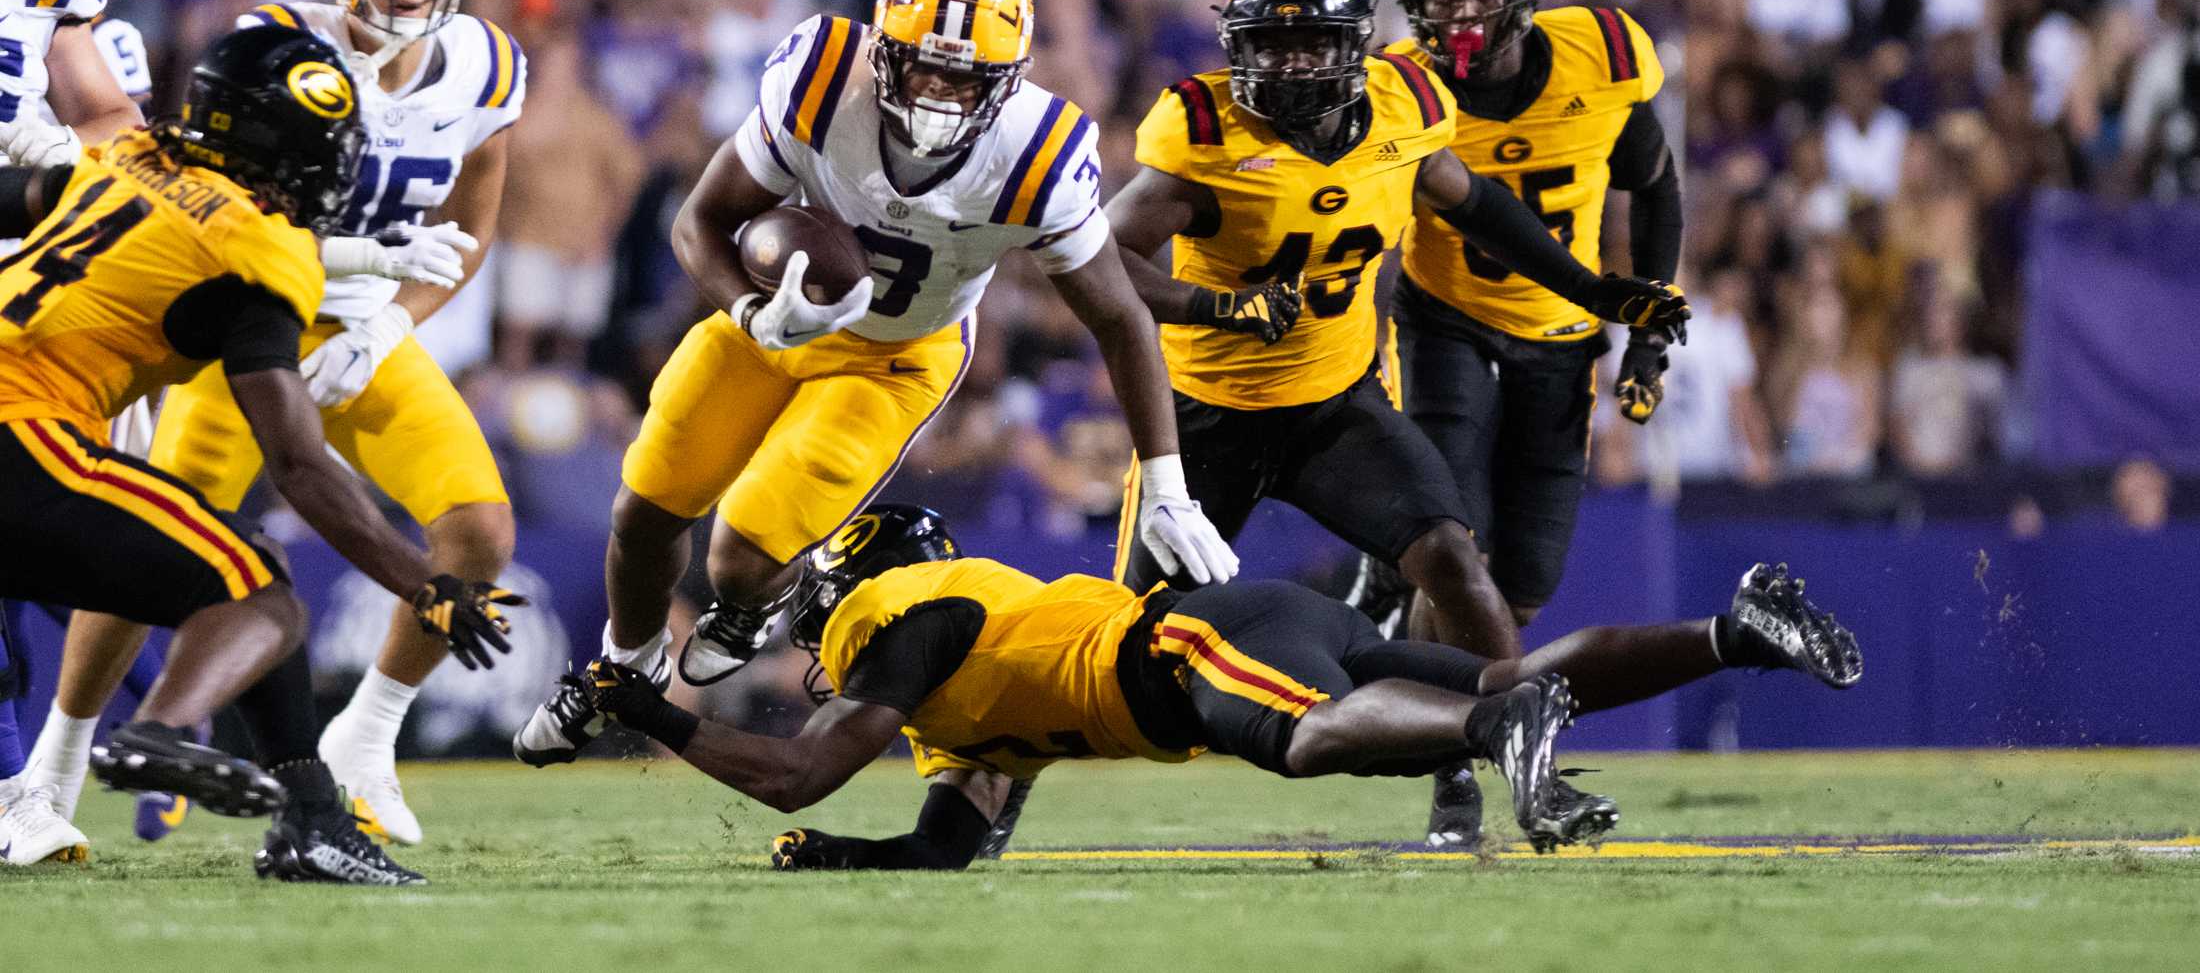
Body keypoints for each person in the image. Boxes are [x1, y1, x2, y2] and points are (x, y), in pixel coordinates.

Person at [516, 0, 1223, 763]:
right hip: (775, 321)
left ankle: (752, 607)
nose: (939, 96)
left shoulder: (1038, 153)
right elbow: (698, 221)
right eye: (925, 67)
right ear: (885, 50)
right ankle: (623, 668)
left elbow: (1121, 318)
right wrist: (750, 310)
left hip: (899, 354)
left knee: (740, 556)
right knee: (641, 511)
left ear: (1008, 82)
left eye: (964, 78)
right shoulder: (819, 78)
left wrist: (1168, 484)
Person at [21, 0, 519, 849]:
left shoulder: (485, 67)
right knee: (153, 556)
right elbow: (205, 198)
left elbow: (471, 225)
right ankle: (53, 771)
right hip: (238, 321)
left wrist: (391, 320)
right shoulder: (272, 43)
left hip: (362, 328)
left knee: (482, 532)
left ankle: (365, 742)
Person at [553, 504, 1860, 869]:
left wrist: (639, 701)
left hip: (1184, 647)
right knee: (1515, 665)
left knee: (1303, 743)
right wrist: (838, 858)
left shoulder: (902, 615)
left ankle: (1488, 727)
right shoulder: (964, 655)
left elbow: (801, 760)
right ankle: (1735, 627)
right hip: (1240, 626)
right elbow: (955, 835)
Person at [1105, 0, 1685, 647]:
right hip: (1208, 412)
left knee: (1451, 556)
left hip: (1336, 405)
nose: (1291, 64)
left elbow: (1480, 208)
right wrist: (1212, 307)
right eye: (1271, 45)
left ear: (1354, 44)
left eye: (1312, 42)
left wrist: (1589, 289)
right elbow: (1099, 257)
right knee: (1137, 641)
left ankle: (1506, 728)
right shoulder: (1206, 133)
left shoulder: (1401, 109)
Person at [1349, 0, 1687, 845]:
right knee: (1456, 554)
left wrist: (1648, 331)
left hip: (1558, 336)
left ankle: (1394, 585)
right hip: (1443, 322)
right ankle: (1450, 768)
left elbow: (1654, 187)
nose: (1456, 16)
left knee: (1524, 586)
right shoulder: (1402, 86)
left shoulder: (1601, 57)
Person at [0, 0, 153, 865]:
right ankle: (17, 788)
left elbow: (110, 119)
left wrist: (60, 152)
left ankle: (120, 744)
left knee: (107, 526)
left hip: (29, 256)